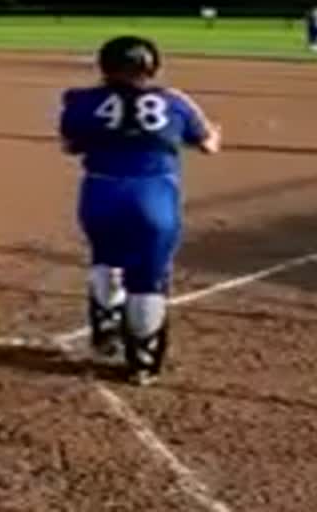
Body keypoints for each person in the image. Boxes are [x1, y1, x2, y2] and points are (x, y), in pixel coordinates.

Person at [59, 36, 222, 385]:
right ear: (153, 67)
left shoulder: (80, 100)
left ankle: (105, 327)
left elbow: (70, 146)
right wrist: (211, 133)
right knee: (148, 280)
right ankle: (142, 363)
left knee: (105, 258)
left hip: (100, 192)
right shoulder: (175, 101)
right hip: (154, 196)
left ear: (103, 67)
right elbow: (208, 144)